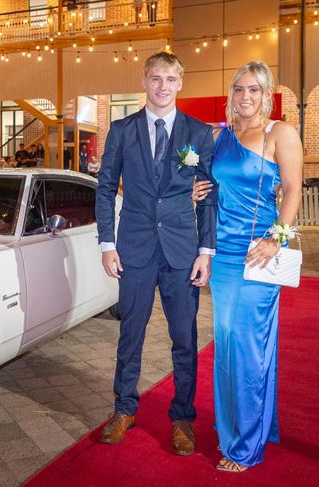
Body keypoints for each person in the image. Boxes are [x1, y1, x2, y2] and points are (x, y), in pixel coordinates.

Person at [95, 51, 216, 455]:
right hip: (135, 249)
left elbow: (209, 197)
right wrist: (107, 244)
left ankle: (182, 417)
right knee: (131, 333)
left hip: (183, 252)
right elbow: (106, 187)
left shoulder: (198, 134)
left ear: (180, 83)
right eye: (156, 78)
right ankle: (124, 408)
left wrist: (205, 250)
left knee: (184, 338)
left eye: (170, 79)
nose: (163, 86)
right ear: (144, 82)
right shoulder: (121, 130)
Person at [193, 61, 303, 472]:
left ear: (266, 93)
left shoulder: (281, 133)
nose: (245, 96)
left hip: (259, 253)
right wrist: (196, 192)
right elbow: (214, 191)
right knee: (228, 346)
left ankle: (245, 446)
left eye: (253, 90)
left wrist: (276, 238)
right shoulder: (222, 137)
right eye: (238, 89)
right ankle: (248, 426)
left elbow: (292, 189)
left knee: (248, 349)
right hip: (222, 255)